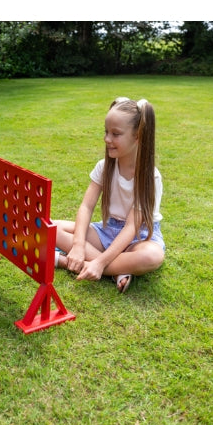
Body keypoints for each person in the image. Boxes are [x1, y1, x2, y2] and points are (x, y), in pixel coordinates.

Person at [53, 97, 165, 293]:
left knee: (151, 256)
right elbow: (86, 206)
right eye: (106, 132)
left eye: (116, 134)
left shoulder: (150, 177)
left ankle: (72, 262)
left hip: (139, 236)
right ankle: (117, 271)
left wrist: (100, 262)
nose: (107, 139)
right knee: (49, 227)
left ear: (137, 136)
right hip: (108, 230)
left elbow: (131, 227)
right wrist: (78, 245)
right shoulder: (104, 167)